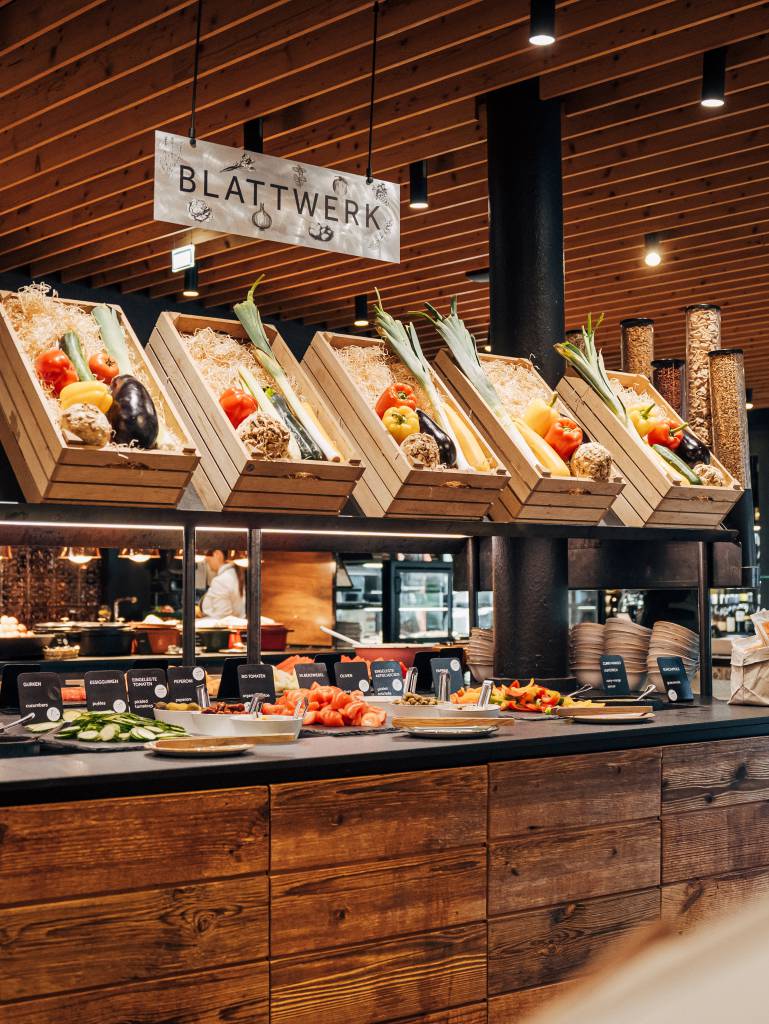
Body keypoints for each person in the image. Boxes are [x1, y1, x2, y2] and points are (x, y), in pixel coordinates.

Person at [200, 550, 245, 618]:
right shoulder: (233, 574)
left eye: (207, 554)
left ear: (217, 554)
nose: (205, 559)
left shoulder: (221, 580)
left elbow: (222, 616)